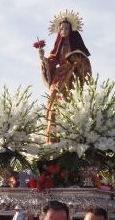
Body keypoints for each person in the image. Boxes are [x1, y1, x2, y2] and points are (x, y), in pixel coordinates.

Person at [39, 11, 92, 141]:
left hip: (73, 75)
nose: (63, 30)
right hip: (59, 76)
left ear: (71, 29)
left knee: (69, 102)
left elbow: (84, 61)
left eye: (66, 28)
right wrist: (43, 59)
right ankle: (53, 137)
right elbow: (52, 61)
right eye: (61, 28)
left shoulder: (75, 43)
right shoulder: (59, 45)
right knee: (54, 103)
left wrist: (77, 63)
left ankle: (70, 132)